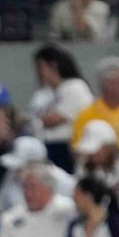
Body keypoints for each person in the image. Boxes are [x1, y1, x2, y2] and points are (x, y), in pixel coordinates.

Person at [0, 163, 77, 237]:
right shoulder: (9, 218)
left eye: (33, 187)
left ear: (49, 189)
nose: (28, 193)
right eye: (25, 187)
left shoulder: (68, 211)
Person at [28, 44, 94, 173]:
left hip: (66, 147)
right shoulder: (45, 93)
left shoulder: (75, 87)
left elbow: (53, 120)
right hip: (44, 145)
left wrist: (35, 120)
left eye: (41, 66)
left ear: (53, 65)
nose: (38, 71)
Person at [0, 136, 75, 216]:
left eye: (20, 166)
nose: (15, 170)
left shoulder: (64, 181)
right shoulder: (13, 174)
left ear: (36, 163)